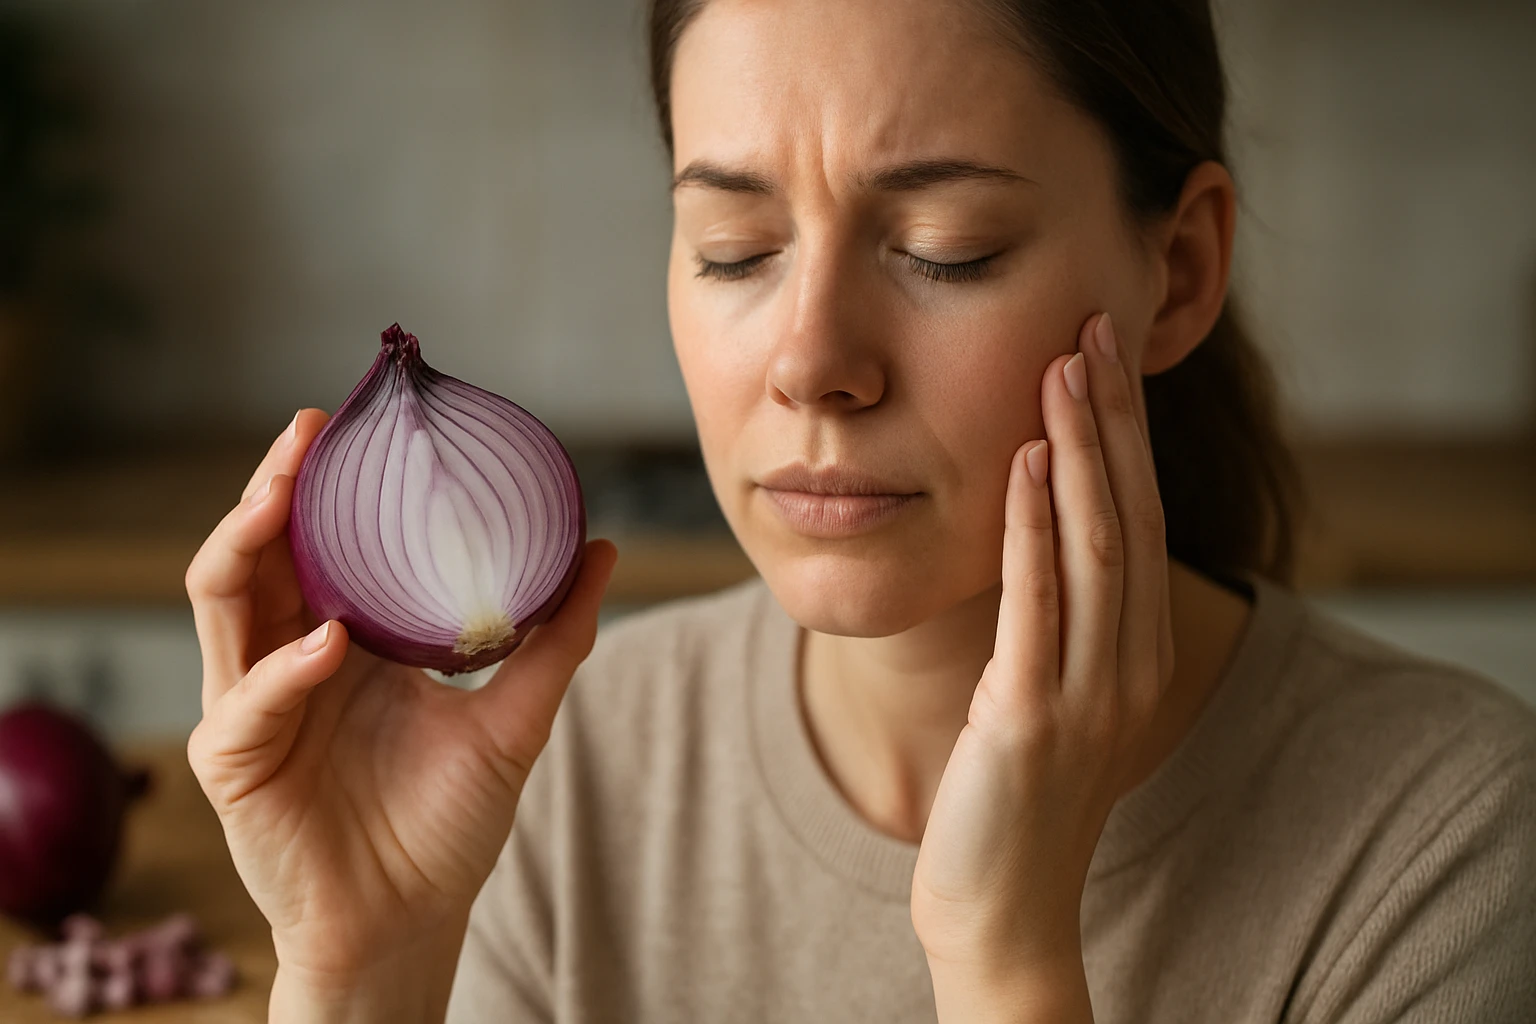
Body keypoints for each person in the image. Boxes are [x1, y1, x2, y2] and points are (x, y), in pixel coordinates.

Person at [183, 0, 1536, 1021]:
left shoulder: (1449, 844)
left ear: (1177, 272)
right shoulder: (551, 778)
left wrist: (1007, 952)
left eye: (947, 251)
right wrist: (363, 967)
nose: (811, 360)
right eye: (737, 252)